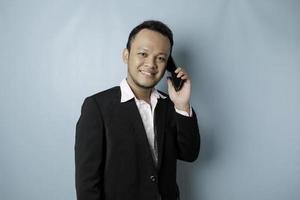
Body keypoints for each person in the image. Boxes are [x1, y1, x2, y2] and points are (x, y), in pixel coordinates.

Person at [75, 20, 200, 200]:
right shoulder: (97, 107)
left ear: (168, 65)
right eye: (143, 53)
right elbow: (87, 185)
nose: (151, 64)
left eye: (161, 58)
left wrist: (182, 105)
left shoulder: (170, 106)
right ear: (126, 55)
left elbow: (189, 154)